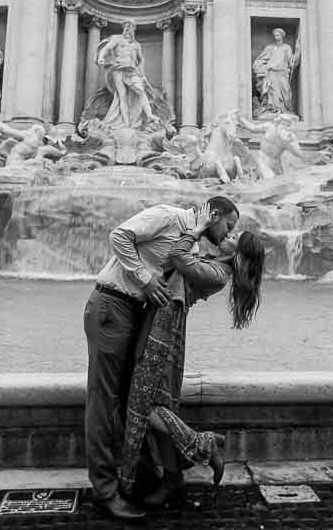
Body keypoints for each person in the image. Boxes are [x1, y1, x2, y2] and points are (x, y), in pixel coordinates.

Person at [83, 197, 239, 521]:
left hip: (133, 315)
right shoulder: (168, 218)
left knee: (132, 403)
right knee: (103, 401)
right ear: (213, 214)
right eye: (227, 226)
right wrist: (145, 278)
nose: (226, 235)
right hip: (112, 305)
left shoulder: (193, 245)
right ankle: (105, 493)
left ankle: (139, 479)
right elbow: (119, 235)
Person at [118, 206, 266, 510]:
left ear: (240, 254)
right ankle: (172, 477)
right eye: (231, 228)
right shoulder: (215, 262)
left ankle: (201, 444)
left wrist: (197, 230)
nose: (230, 234)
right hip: (161, 319)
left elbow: (178, 257)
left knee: (143, 406)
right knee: (154, 403)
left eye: (235, 235)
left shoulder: (218, 274)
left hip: (166, 328)